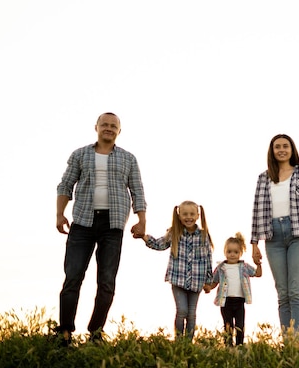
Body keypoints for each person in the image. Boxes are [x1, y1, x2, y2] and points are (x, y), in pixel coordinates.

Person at [56, 112, 147, 344]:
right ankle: (64, 332)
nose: (108, 128)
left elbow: (137, 190)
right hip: (83, 223)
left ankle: (95, 333)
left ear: (119, 130)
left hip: (113, 225)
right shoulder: (80, 154)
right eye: (104, 125)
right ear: (96, 127)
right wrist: (60, 214)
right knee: (72, 277)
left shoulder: (128, 158)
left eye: (113, 126)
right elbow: (65, 185)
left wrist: (141, 220)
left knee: (107, 282)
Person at [251, 134, 299, 337]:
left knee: (295, 290)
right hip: (273, 237)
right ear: (272, 151)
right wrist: (254, 243)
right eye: (277, 147)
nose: (281, 150)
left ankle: (297, 342)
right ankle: (287, 341)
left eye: (285, 146)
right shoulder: (264, 177)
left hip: (298, 233)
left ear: (291, 149)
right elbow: (257, 210)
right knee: (282, 293)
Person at [137, 201, 214, 341]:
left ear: (197, 215)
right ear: (179, 216)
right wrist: (145, 237)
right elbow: (159, 244)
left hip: (197, 281)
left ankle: (188, 343)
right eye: (185, 214)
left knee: (191, 314)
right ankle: (179, 341)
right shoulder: (174, 233)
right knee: (182, 311)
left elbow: (208, 258)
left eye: (192, 214)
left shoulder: (203, 236)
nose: (188, 217)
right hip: (178, 279)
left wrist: (209, 281)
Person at [206, 232, 262, 346]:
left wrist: (259, 264)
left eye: (236, 252)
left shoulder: (244, 267)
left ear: (240, 253)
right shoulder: (221, 267)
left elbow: (257, 274)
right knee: (228, 325)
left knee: (240, 325)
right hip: (225, 301)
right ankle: (228, 347)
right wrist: (208, 288)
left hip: (239, 301)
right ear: (225, 252)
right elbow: (215, 281)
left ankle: (240, 346)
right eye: (229, 251)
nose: (232, 254)